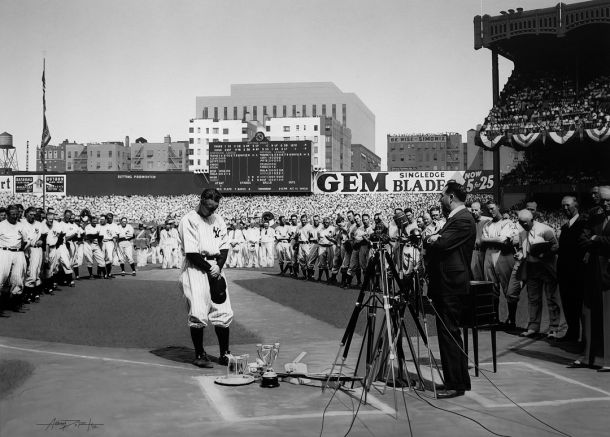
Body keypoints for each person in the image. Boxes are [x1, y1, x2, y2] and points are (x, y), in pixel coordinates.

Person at [424, 181, 475, 399]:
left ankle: (456, 383)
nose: (440, 200)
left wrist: (434, 239)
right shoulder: (456, 219)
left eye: (442, 196)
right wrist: (433, 239)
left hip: (450, 285)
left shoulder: (462, 219)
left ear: (451, 197)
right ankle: (456, 380)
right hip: (446, 284)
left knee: (449, 334)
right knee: (448, 334)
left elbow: (442, 245)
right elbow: (436, 242)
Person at [178, 188, 232, 368]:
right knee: (199, 312)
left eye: (215, 207)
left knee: (223, 311)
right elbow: (192, 252)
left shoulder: (218, 219)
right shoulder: (189, 220)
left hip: (216, 266)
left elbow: (224, 247)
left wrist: (219, 266)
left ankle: (225, 354)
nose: (212, 211)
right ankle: (200, 354)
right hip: (196, 268)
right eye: (209, 207)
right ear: (201, 201)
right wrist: (211, 268)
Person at [572, 186, 610, 371]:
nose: (605, 204)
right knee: (589, 313)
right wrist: (597, 240)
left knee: (607, 316)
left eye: (608, 201)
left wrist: (596, 240)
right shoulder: (595, 215)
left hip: (607, 272)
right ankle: (589, 356)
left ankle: (607, 359)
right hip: (593, 269)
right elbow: (583, 238)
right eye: (603, 201)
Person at [515, 209, 561, 339]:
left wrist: (544, 254)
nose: (523, 225)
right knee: (533, 298)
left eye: (525, 223)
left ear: (531, 220)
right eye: (520, 222)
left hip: (546, 267)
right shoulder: (522, 233)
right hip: (531, 267)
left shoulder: (545, 230)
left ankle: (554, 328)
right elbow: (521, 249)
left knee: (551, 298)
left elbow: (555, 246)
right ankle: (533, 326)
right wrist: (519, 254)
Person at [557, 196, 586, 342]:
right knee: (568, 303)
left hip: (577, 271)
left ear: (576, 205)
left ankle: (584, 337)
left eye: (568, 205)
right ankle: (572, 332)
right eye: (563, 206)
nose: (565, 208)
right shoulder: (565, 226)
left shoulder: (582, 224)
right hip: (564, 271)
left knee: (579, 304)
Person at [0, 205, 29, 310]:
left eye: (16, 214)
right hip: (4, 251)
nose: (15, 216)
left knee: (18, 278)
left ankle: (15, 303)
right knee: (2, 276)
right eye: (12, 214)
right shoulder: (1, 225)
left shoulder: (21, 225)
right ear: (7, 215)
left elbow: (26, 240)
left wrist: (21, 250)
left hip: (18, 252)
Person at [469, 201, 491, 281]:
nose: (474, 212)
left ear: (481, 210)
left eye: (476, 210)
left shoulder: (487, 221)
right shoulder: (470, 221)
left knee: (487, 277)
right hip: (474, 252)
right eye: (472, 210)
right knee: (476, 275)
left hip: (485, 251)